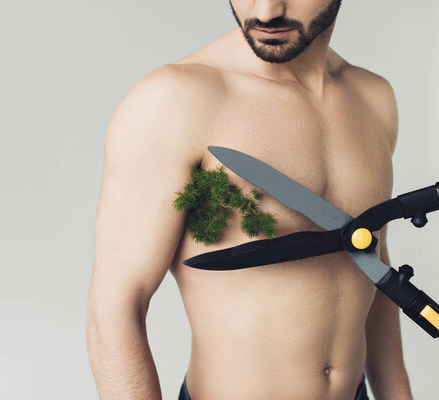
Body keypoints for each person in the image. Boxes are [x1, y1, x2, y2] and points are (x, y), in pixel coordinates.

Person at [87, 1, 414, 399]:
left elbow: (372, 263)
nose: (265, 10)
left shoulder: (372, 98)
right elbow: (116, 307)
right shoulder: (175, 100)